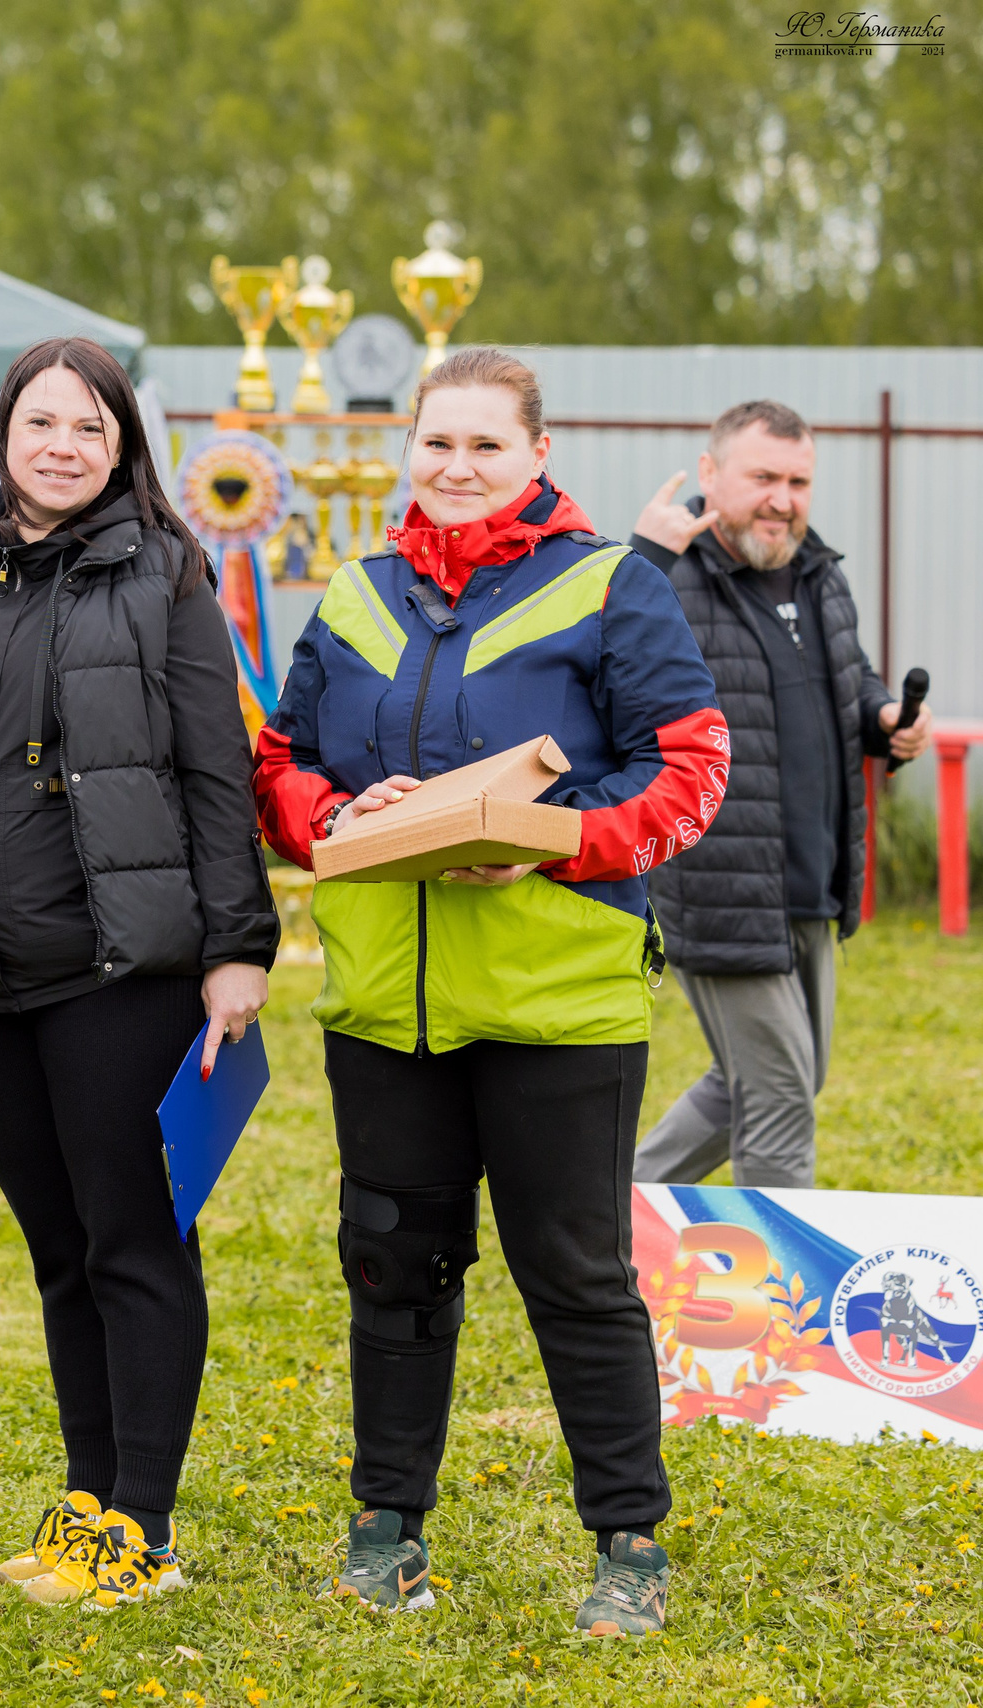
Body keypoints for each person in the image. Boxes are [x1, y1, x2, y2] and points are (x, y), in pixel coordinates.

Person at [253, 347, 731, 1638]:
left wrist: (548, 836)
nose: (457, 469)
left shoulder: (610, 588)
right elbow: (280, 768)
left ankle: (629, 1543)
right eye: (437, 444)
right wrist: (348, 810)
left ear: (537, 456)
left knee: (575, 1273)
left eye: (485, 446)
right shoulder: (354, 593)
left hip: (554, 1006)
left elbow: (688, 771)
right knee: (394, 1269)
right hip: (385, 1008)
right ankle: (386, 1529)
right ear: (409, 450)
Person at [0, 338, 278, 1609]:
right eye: (43, 422)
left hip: (117, 969)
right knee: (58, 1248)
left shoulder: (167, 573)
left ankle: (143, 1524)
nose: (65, 445)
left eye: (91, 426)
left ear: (122, 444)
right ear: (4, 434)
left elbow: (213, 768)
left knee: (133, 1242)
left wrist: (237, 947)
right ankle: (86, 1500)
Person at [630, 401, 932, 1188]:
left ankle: (611, 1212)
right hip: (720, 884)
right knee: (779, 1099)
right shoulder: (662, 578)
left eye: (798, 481)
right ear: (710, 475)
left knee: (772, 1081)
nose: (782, 499)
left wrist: (883, 718)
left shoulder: (818, 572)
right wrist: (642, 560)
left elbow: (848, 679)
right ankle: (776, 1305)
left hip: (810, 883)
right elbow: (595, 667)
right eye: (762, 476)